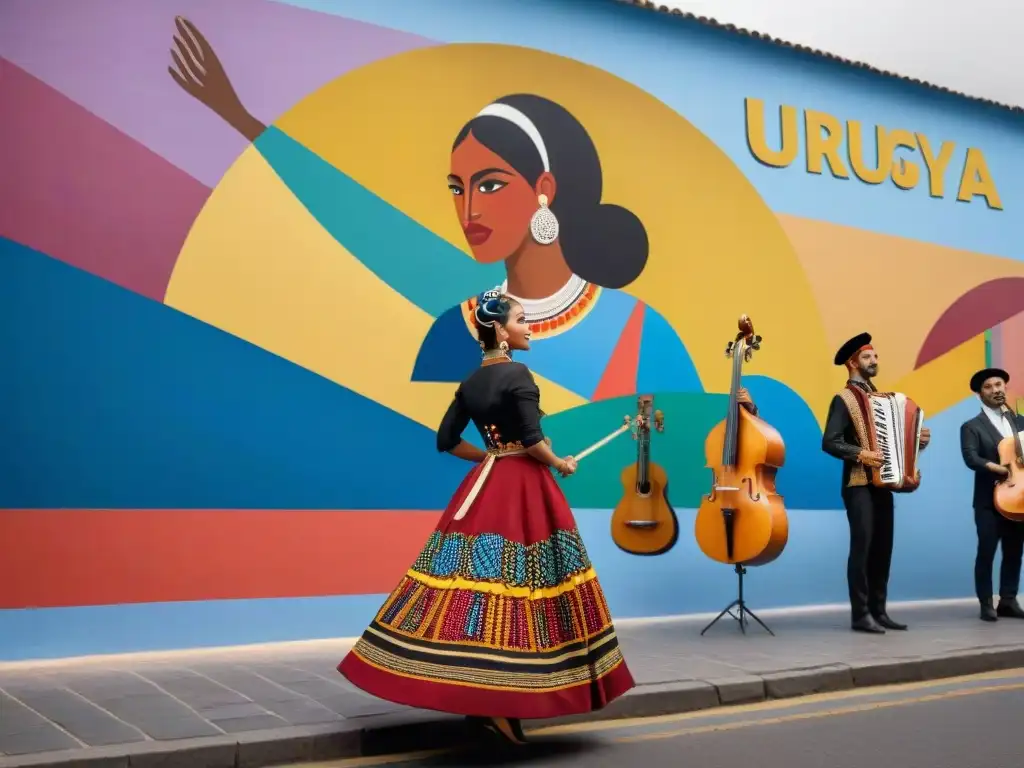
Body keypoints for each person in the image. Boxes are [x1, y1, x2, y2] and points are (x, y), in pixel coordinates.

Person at [337, 290, 635, 745]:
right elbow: (534, 440)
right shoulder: (520, 374)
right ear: (500, 330)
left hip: (488, 485)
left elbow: (447, 439)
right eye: (521, 319)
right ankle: (506, 704)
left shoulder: (471, 383)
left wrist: (490, 457)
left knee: (475, 591)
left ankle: (482, 701)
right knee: (531, 589)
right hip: (526, 490)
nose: (528, 326)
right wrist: (559, 464)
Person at [821, 332, 931, 634]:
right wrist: (862, 454)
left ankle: (879, 610)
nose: (874, 361)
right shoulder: (843, 399)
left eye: (875, 357)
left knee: (883, 547)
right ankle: (860, 615)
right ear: (852, 363)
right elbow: (830, 442)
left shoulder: (881, 399)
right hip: (857, 484)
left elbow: (896, 442)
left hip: (883, 485)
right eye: (867, 357)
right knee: (863, 547)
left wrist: (917, 441)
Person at [959, 367, 1024, 622]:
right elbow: (970, 457)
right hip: (988, 499)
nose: (996, 390)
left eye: (999, 384)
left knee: (1014, 550)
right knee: (986, 550)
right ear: (979, 394)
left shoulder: (1020, 422)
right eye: (989, 387)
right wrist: (999, 468)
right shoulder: (972, 426)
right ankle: (986, 602)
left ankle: (1008, 600)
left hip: (1019, 497)